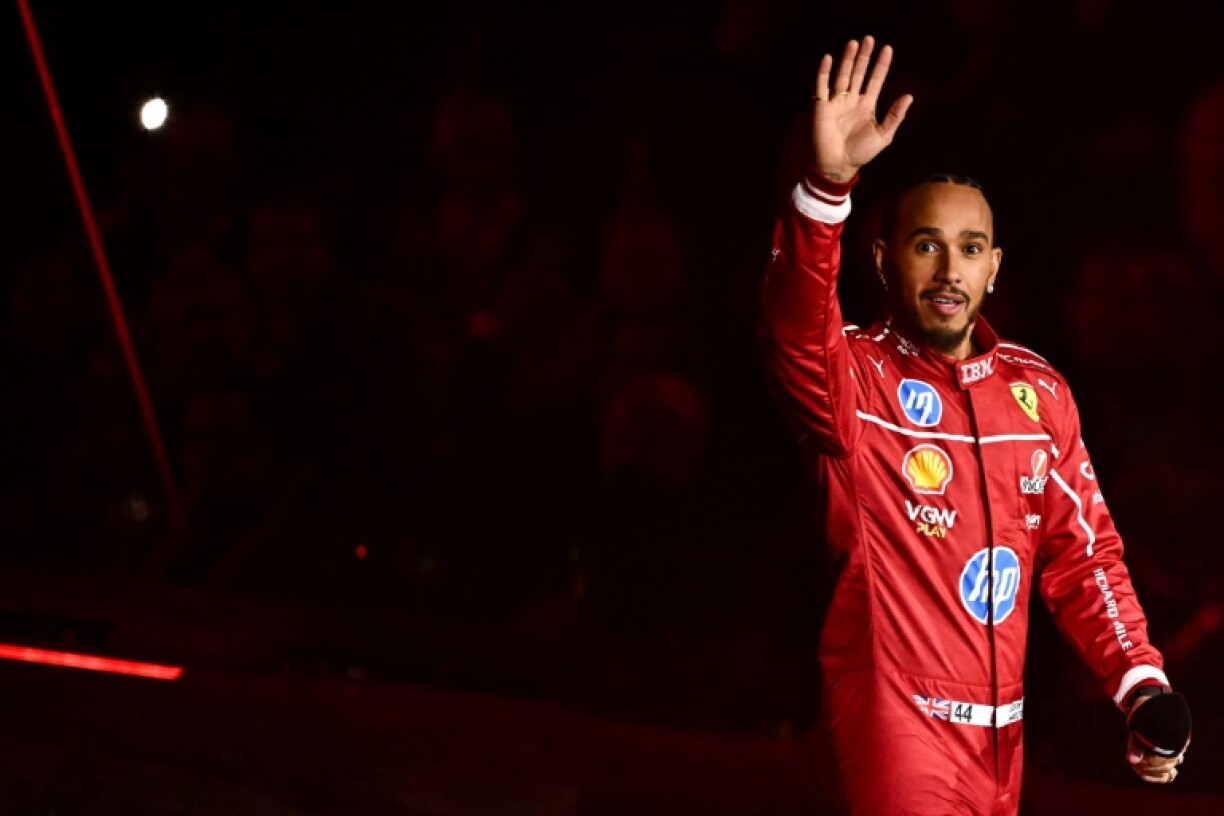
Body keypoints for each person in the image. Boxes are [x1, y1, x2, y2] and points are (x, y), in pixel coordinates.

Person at [757, 36, 1190, 814]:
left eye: (969, 249)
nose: (950, 270)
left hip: (1003, 742)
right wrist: (826, 188)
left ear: (995, 267)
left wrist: (1140, 684)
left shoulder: (1039, 394)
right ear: (885, 260)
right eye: (927, 246)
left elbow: (1084, 558)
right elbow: (793, 325)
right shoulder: (855, 377)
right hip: (893, 723)